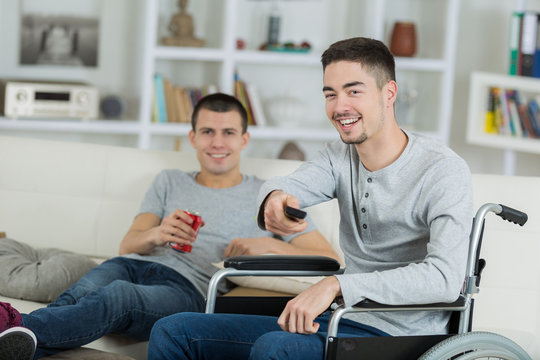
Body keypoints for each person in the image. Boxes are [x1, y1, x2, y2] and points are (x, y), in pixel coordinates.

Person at [147, 37, 473, 360]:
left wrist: (337, 286)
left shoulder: (442, 171)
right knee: (174, 332)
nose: (339, 106)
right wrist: (276, 198)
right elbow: (289, 184)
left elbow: (444, 279)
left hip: (401, 337)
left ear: (388, 93)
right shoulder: (338, 157)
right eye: (330, 94)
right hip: (339, 321)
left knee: (276, 348)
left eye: (353, 91)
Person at [0, 93, 339, 359]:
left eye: (228, 133)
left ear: (244, 140)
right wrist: (158, 233)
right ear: (192, 137)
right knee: (78, 296)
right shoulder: (168, 180)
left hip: (187, 289)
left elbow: (327, 257)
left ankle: (10, 326)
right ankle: (15, 341)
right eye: (207, 132)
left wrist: (268, 245)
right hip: (131, 264)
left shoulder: (266, 194)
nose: (217, 143)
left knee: (117, 297)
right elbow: (127, 245)